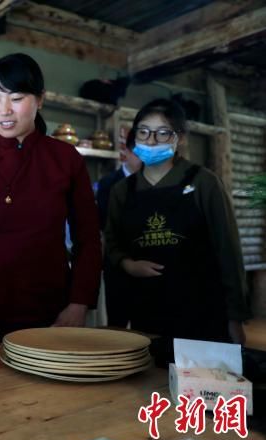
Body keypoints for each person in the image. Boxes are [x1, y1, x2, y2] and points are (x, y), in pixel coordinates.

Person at [0, 53, 102, 348]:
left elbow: (88, 239)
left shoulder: (65, 159)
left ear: (40, 99)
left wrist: (79, 304)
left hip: (50, 313)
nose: (4, 111)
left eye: (16, 98)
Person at [104, 98, 250, 348]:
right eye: (143, 132)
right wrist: (128, 264)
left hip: (202, 309)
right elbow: (112, 243)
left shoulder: (203, 182)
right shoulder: (122, 191)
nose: (150, 141)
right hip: (146, 311)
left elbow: (227, 248)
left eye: (162, 133)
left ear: (180, 138)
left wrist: (235, 316)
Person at [96, 141, 142, 328]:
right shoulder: (109, 183)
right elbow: (103, 222)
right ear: (127, 152)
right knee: (117, 323)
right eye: (139, 154)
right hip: (116, 260)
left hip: (146, 259)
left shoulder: (151, 180)